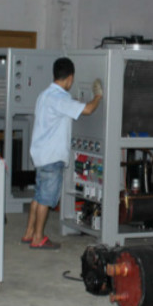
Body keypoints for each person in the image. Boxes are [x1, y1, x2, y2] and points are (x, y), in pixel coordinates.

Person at [21, 57, 103, 250]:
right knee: (45, 199)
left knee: (38, 196)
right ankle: (38, 238)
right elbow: (88, 109)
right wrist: (98, 96)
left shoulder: (44, 95)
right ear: (70, 78)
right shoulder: (60, 98)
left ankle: (29, 233)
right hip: (52, 157)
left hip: (41, 155)